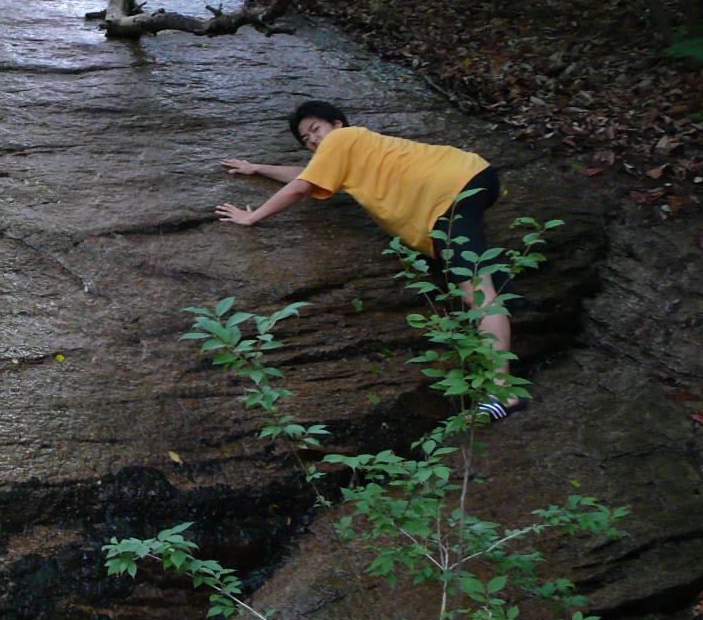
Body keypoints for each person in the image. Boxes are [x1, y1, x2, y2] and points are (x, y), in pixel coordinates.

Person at [215, 100, 525, 420]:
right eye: (307, 141)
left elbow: (300, 187)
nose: (313, 140)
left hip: (451, 189)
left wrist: (253, 218)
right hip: (459, 187)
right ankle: (502, 294)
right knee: (478, 282)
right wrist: (257, 168)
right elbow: (306, 176)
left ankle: (503, 392)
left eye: (315, 130)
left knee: (474, 289)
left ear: (337, 125)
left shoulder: (343, 139)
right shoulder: (352, 159)